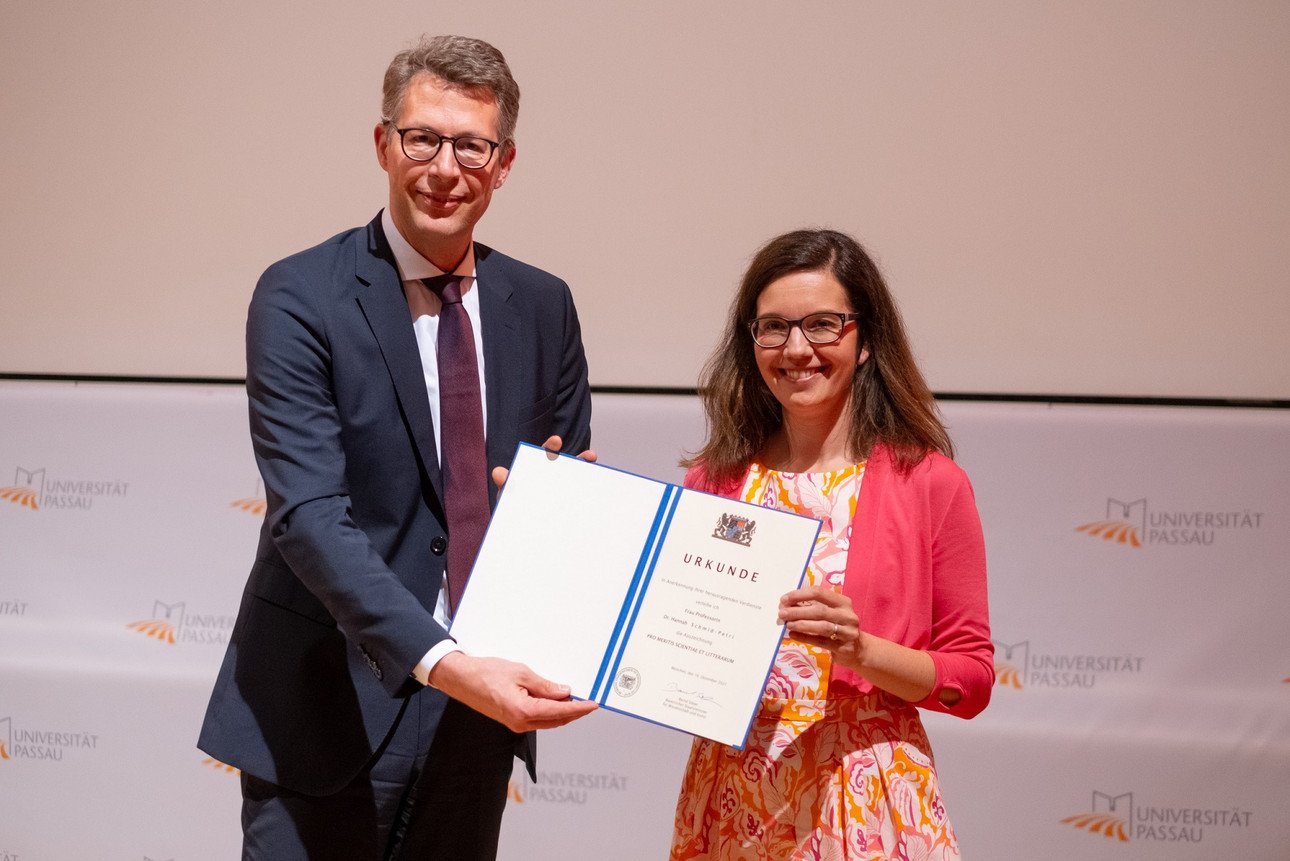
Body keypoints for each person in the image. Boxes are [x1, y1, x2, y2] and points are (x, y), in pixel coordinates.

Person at [198, 34, 597, 860]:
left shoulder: (544, 304)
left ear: (505, 163)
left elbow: (565, 479)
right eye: (422, 138)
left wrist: (573, 515)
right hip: (326, 705)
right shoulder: (299, 293)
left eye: (471, 145)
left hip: (478, 718)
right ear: (384, 144)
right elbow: (308, 516)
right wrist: (443, 660)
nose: (444, 167)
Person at [669, 229, 993, 860]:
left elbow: (972, 678)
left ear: (865, 339)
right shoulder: (714, 481)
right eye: (774, 328)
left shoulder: (930, 483)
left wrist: (861, 649)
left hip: (864, 796)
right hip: (732, 795)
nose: (797, 349)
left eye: (823, 325)